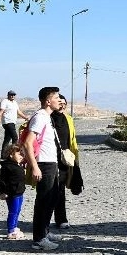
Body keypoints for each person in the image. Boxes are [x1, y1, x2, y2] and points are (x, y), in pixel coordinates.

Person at [24, 86, 63, 250]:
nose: (60, 101)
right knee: (43, 201)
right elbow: (27, 143)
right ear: (48, 101)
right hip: (43, 164)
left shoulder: (47, 117)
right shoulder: (40, 117)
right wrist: (34, 167)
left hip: (51, 163)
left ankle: (44, 231)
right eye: (57, 98)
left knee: (51, 199)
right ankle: (39, 239)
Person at [50, 94, 83, 230]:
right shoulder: (49, 118)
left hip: (65, 159)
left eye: (64, 103)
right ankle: (44, 220)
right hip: (51, 159)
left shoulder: (68, 119)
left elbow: (72, 140)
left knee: (60, 190)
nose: (62, 105)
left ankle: (61, 219)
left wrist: (75, 159)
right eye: (59, 102)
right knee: (49, 191)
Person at [0, 143, 26, 240]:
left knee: (17, 211)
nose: (21, 156)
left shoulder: (18, 165)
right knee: (13, 212)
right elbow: (2, 181)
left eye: (22, 154)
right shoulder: (7, 167)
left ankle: (15, 227)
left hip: (19, 192)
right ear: (11, 155)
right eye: (19, 154)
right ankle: (11, 230)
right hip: (12, 194)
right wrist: (2, 192)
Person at [0, 90, 29, 159]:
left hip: (13, 122)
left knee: (7, 139)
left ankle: (3, 156)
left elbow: (18, 112)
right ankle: (13, 154)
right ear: (8, 95)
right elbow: (0, 112)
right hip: (7, 122)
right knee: (15, 138)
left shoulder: (15, 103)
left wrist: (25, 117)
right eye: (11, 95)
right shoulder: (5, 102)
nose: (12, 96)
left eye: (14, 95)